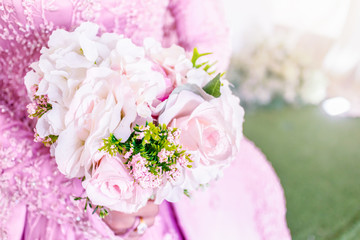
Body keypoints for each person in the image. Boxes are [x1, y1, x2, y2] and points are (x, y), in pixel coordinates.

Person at [0, 0, 291, 239]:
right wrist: (81, 195)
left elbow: (207, 38)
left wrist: (166, 142)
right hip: (25, 166)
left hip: (158, 152)